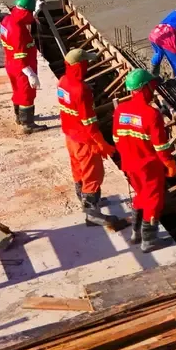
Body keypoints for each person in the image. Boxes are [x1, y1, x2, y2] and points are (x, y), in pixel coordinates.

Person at [113, 69, 176, 252]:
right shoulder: (151, 114)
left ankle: (136, 234)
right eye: (152, 86)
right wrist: (170, 164)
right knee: (153, 201)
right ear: (144, 88)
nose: (154, 89)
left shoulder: (121, 110)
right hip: (149, 166)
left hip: (130, 165)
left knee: (141, 196)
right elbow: (160, 146)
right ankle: (149, 241)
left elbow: (116, 138)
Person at [57, 48, 116, 226]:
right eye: (86, 63)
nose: (88, 65)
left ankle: (85, 199)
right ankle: (92, 212)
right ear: (80, 65)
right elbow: (89, 122)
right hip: (84, 140)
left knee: (78, 169)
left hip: (70, 136)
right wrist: (102, 143)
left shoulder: (62, 81)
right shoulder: (81, 90)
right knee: (93, 174)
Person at [0, 0, 44, 134]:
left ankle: (19, 117)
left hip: (11, 63)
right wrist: (30, 74)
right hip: (22, 66)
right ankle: (28, 124)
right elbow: (20, 55)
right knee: (27, 93)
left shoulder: (8, 20)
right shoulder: (18, 30)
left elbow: (24, 18)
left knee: (18, 90)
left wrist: (35, 12)